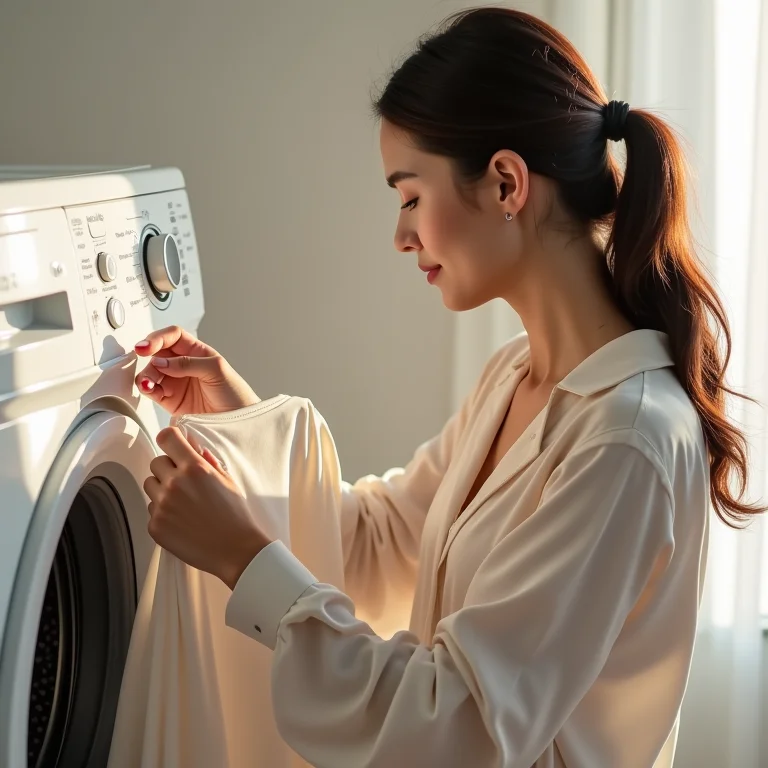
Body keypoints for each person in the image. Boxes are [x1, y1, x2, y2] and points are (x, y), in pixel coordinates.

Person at [132, 7, 764, 768]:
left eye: (408, 196)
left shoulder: (625, 438)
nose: (401, 235)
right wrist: (243, 421)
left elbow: (461, 726)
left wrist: (243, 559)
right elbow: (381, 544)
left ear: (505, 183)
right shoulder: (516, 379)